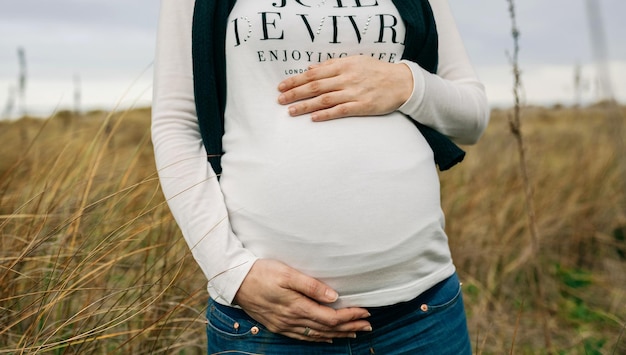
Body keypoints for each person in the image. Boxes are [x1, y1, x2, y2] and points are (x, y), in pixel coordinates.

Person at [152, 0, 489, 353]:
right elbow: (176, 125)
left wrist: (407, 82)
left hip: (422, 313)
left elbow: (473, 117)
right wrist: (232, 274)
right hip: (266, 321)